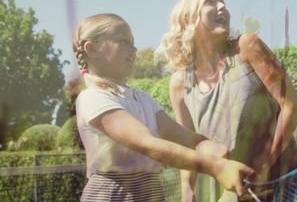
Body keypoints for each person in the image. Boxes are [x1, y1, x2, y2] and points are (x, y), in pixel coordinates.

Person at [73, 13, 253, 202]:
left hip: (150, 191)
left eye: (133, 43)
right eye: (123, 41)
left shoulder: (142, 99)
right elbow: (148, 143)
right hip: (112, 195)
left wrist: (210, 147)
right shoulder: (92, 98)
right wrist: (215, 166)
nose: (133, 49)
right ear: (92, 49)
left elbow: (183, 137)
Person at [156, 0, 297, 201]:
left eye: (223, 2)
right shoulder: (179, 83)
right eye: (210, 1)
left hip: (289, 182)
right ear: (188, 20)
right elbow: (189, 144)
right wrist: (188, 191)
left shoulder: (247, 47)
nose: (222, 7)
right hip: (238, 192)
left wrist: (264, 167)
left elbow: (292, 107)